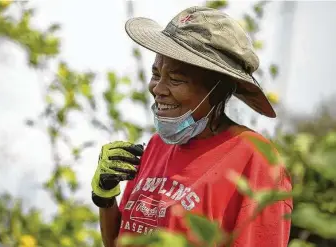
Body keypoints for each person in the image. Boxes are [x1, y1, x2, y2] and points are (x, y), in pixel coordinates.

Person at [91, 6, 292, 247]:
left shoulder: (254, 159)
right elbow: (119, 241)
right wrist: (105, 196)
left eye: (176, 79)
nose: (158, 89)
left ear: (218, 90)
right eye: (156, 74)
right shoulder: (157, 145)